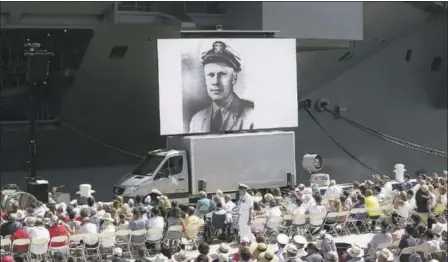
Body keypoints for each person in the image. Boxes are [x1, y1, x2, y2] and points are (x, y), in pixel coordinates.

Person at [189, 40, 254, 133]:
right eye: (211, 75)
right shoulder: (196, 121)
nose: (215, 82)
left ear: (234, 78)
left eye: (222, 74)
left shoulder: (251, 116)